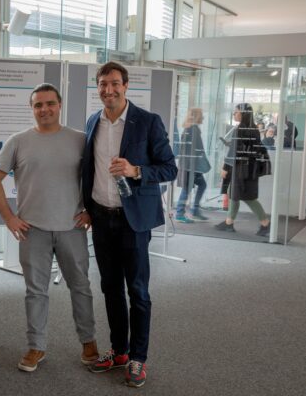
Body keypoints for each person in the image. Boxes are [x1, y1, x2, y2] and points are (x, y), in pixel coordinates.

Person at [0, 83, 98, 373]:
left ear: (59, 105)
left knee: (81, 288)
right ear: (31, 108)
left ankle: (88, 341)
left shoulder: (81, 140)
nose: (44, 109)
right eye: (38, 105)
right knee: (36, 291)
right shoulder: (18, 141)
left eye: (50, 103)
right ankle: (36, 346)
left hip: (71, 228)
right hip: (32, 230)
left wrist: (91, 211)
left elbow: (97, 177)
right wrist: (9, 218)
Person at [81, 62, 177, 388]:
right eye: (103, 84)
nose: (109, 90)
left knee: (137, 290)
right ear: (97, 88)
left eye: (115, 84)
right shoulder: (93, 122)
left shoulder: (147, 122)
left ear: (125, 86)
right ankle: (119, 350)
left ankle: (138, 358)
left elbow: (169, 168)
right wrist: (86, 207)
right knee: (110, 288)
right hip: (102, 219)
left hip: (134, 221)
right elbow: (88, 170)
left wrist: (136, 171)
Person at [215, 103, 271, 236]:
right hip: (249, 168)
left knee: (247, 197)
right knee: (235, 194)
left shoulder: (240, 129)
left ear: (243, 113)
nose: (234, 114)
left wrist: (225, 167)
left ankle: (265, 223)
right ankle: (229, 223)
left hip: (242, 169)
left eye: (236, 112)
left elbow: (234, 152)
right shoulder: (253, 128)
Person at [175, 108, 211, 223]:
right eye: (202, 115)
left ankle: (193, 210)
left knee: (198, 186)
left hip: (189, 165)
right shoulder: (193, 129)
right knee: (187, 188)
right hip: (191, 166)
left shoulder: (188, 128)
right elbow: (198, 150)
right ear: (197, 116)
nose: (203, 117)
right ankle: (180, 213)